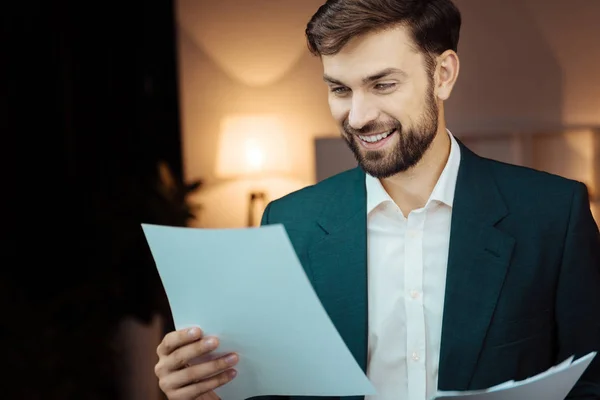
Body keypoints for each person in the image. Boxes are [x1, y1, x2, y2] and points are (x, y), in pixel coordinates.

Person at [153, 0, 600, 399]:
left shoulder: (553, 215)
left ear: (442, 74)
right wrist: (207, 395)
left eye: (382, 85)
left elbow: (592, 381)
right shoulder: (290, 223)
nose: (359, 116)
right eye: (340, 89)